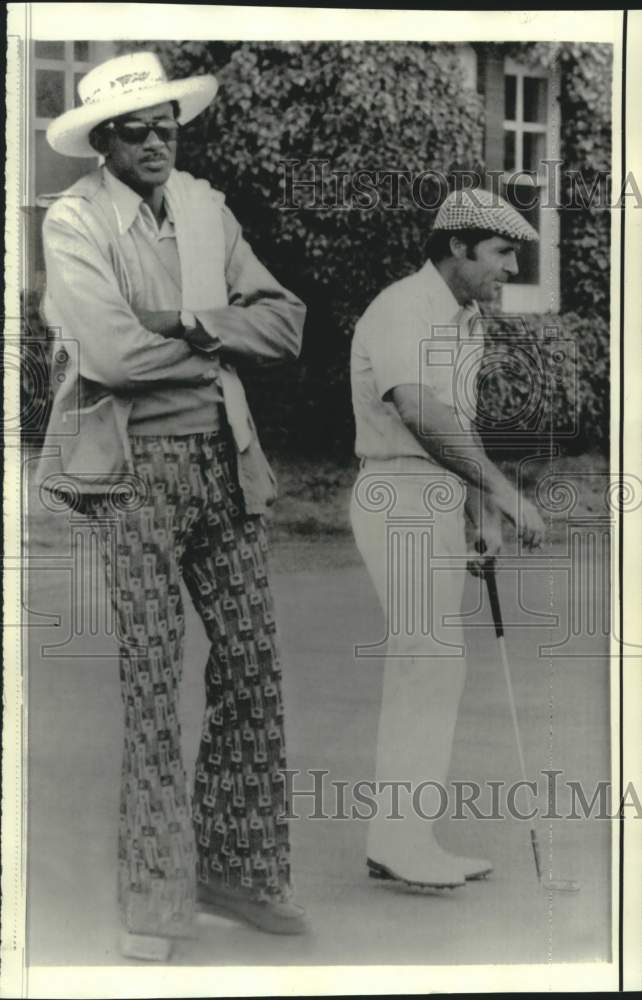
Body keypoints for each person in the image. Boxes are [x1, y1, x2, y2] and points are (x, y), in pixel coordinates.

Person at [37, 51, 307, 960]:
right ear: (102, 143)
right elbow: (110, 356)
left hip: (224, 460)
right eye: (134, 130)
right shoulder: (75, 221)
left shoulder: (203, 206)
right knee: (153, 682)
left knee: (249, 665)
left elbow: (285, 320)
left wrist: (190, 325)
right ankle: (156, 898)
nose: (155, 142)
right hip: (132, 468)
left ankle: (236, 872)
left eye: (166, 125)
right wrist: (221, 343)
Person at [349, 187, 546, 890]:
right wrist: (502, 492)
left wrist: (477, 514)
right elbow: (421, 413)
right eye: (498, 253)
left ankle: (398, 837)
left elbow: (455, 428)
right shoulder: (404, 307)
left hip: (430, 498)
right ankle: (402, 841)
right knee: (424, 666)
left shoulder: (465, 322)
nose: (507, 270)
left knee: (432, 667)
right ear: (457, 246)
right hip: (396, 493)